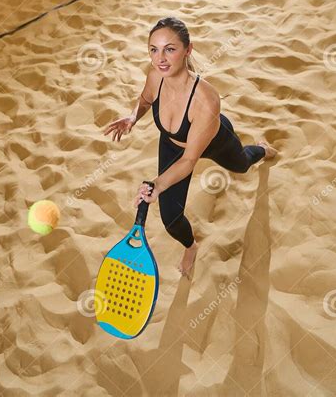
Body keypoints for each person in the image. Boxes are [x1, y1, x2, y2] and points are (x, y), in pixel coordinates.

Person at [103, 17, 277, 279]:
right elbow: (145, 99)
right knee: (171, 219)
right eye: (154, 49)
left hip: (213, 142)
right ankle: (191, 247)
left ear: (188, 50)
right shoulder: (155, 76)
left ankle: (262, 150)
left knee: (241, 164)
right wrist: (132, 117)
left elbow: (189, 161)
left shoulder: (206, 99)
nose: (160, 58)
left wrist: (158, 185)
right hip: (172, 145)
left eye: (169, 49)